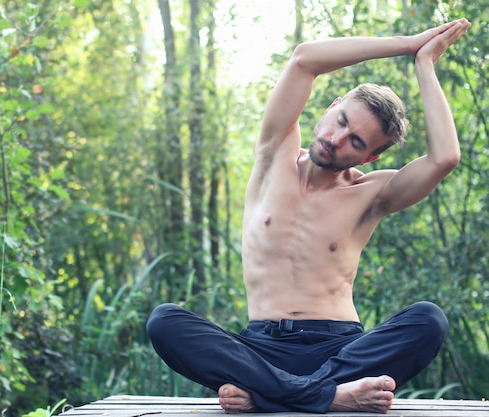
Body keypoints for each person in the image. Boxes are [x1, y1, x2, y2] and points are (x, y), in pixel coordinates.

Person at [146, 18, 471, 415]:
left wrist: (425, 63)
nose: (335, 141)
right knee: (165, 321)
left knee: (428, 320)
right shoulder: (274, 156)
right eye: (342, 122)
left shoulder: (372, 194)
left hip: (341, 351)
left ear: (370, 157)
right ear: (332, 108)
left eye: (355, 142)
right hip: (260, 349)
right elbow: (304, 59)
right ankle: (328, 396)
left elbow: (445, 158)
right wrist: (406, 44)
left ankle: (271, 394)